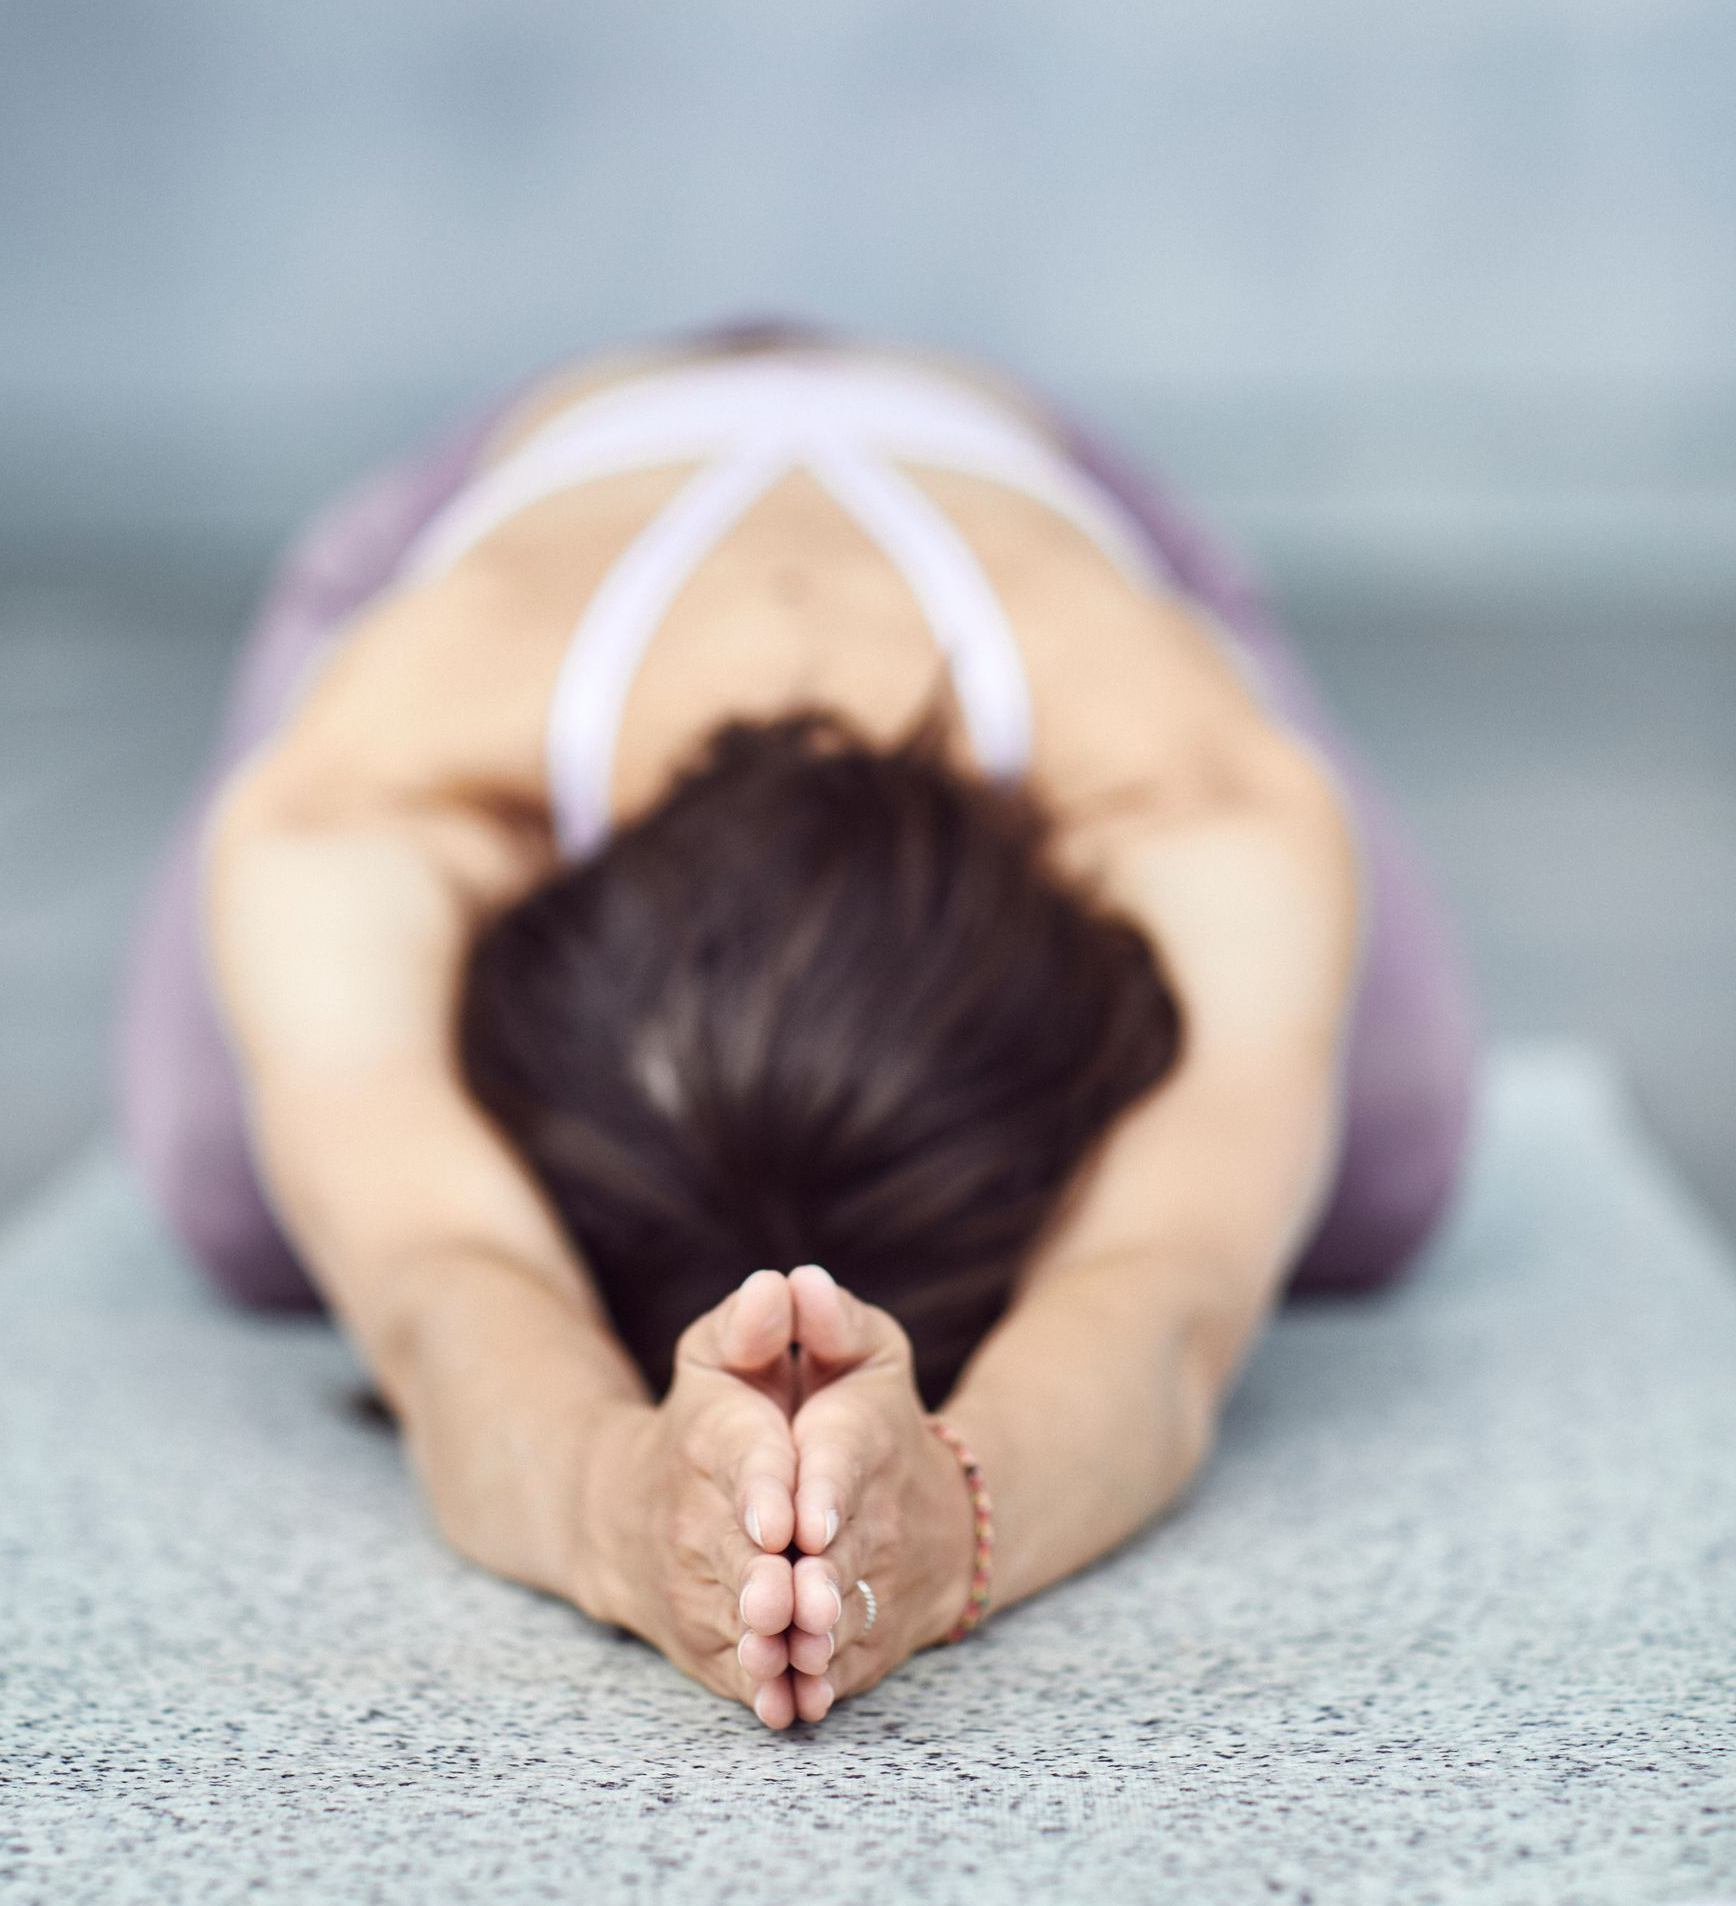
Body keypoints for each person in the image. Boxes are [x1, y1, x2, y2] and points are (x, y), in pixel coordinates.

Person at [116, 320, 1477, 1731]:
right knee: (251, 1193)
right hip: (523, 508)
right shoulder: (371, 787)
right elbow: (435, 1273)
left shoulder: (1192, 782)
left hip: (1048, 514)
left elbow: (1166, 1281)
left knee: (1371, 1175)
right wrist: (620, 1508)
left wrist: (950, 1517)